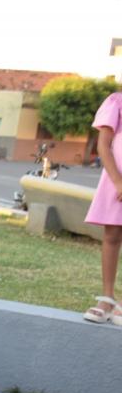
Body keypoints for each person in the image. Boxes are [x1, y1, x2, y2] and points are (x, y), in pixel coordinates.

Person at [82, 89, 122, 325]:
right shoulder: (116, 102)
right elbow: (104, 146)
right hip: (116, 180)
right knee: (112, 235)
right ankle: (107, 299)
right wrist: (118, 181)